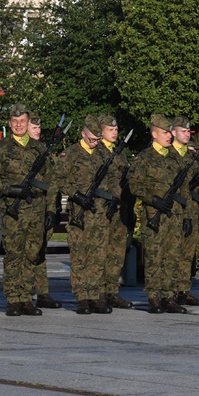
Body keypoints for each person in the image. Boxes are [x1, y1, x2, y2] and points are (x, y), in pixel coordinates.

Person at [0, 103, 59, 316]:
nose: (18, 125)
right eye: (14, 122)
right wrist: (9, 189)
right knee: (14, 255)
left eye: (22, 121)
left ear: (28, 122)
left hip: (37, 209)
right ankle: (13, 300)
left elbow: (52, 181)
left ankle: (26, 298)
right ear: (10, 123)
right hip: (13, 211)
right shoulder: (2, 148)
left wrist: (51, 210)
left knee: (32, 255)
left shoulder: (39, 148)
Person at [128, 114, 188, 314]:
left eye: (170, 132)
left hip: (175, 216)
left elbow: (183, 188)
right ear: (154, 134)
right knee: (154, 257)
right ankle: (154, 298)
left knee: (173, 257)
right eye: (165, 132)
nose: (169, 136)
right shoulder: (144, 158)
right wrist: (153, 199)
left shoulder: (175, 158)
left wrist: (186, 214)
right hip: (155, 217)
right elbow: (134, 185)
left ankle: (169, 297)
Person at [60, 116, 112, 314]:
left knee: (98, 257)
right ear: (83, 134)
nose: (95, 142)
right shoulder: (71, 154)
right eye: (92, 139)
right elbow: (60, 180)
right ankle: (82, 297)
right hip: (80, 214)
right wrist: (76, 195)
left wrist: (112, 199)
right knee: (80, 257)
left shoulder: (103, 154)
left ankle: (96, 295)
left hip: (100, 214)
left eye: (98, 139)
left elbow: (112, 179)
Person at [98, 113, 135, 310]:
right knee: (102, 252)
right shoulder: (98, 152)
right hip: (104, 210)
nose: (114, 133)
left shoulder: (119, 153)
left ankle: (112, 291)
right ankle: (100, 292)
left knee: (117, 252)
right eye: (110, 130)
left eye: (116, 129)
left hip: (121, 209)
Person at [169, 115, 199, 307]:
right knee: (172, 252)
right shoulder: (167, 155)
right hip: (173, 212)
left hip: (191, 211)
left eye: (188, 131)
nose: (187, 134)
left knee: (187, 253)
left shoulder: (192, 157)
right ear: (173, 132)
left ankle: (183, 289)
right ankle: (169, 291)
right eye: (183, 131)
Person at [26, 111, 62, 309]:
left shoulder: (43, 151)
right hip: (28, 209)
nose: (38, 131)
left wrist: (53, 208)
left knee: (40, 252)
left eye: (39, 127)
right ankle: (25, 291)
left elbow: (52, 181)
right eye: (34, 127)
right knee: (28, 253)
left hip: (44, 208)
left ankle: (43, 292)